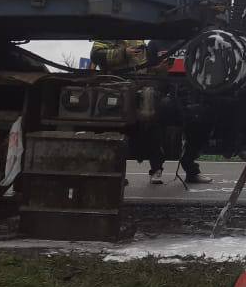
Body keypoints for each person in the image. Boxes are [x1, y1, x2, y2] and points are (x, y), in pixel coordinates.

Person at [90, 40, 211, 184]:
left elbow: (144, 69)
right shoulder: (109, 34)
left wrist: (158, 69)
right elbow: (95, 55)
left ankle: (163, 169)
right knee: (117, 132)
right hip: (114, 91)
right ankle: (116, 173)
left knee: (150, 127)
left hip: (138, 90)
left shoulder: (139, 40)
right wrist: (123, 53)